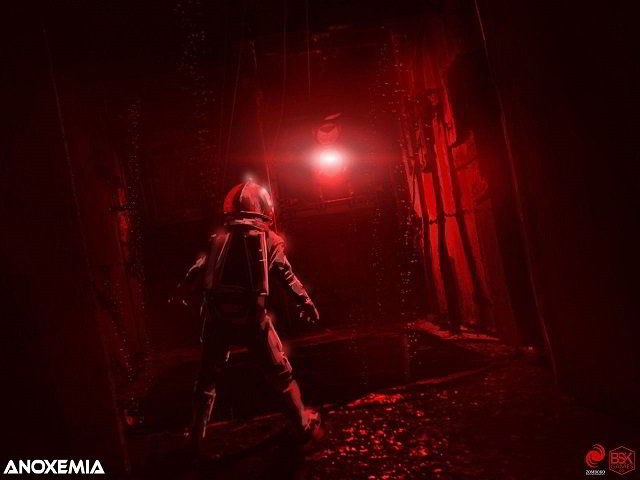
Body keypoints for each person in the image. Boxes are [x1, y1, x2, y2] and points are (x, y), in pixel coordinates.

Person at [175, 180, 322, 456]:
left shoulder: (218, 239)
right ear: (264, 210)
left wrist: (182, 291)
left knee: (206, 379)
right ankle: (302, 424)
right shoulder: (270, 240)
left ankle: (195, 438)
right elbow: (287, 277)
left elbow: (196, 270)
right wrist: (306, 303)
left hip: (216, 318)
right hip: (254, 320)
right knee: (282, 375)